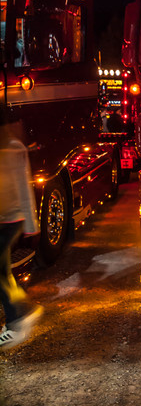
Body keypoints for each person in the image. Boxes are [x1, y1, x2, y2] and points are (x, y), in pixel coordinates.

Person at [0, 105, 43, 350]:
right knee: (2, 271)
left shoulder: (13, 148)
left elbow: (24, 189)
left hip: (9, 220)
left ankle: (20, 315)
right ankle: (16, 318)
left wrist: (31, 225)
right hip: (9, 220)